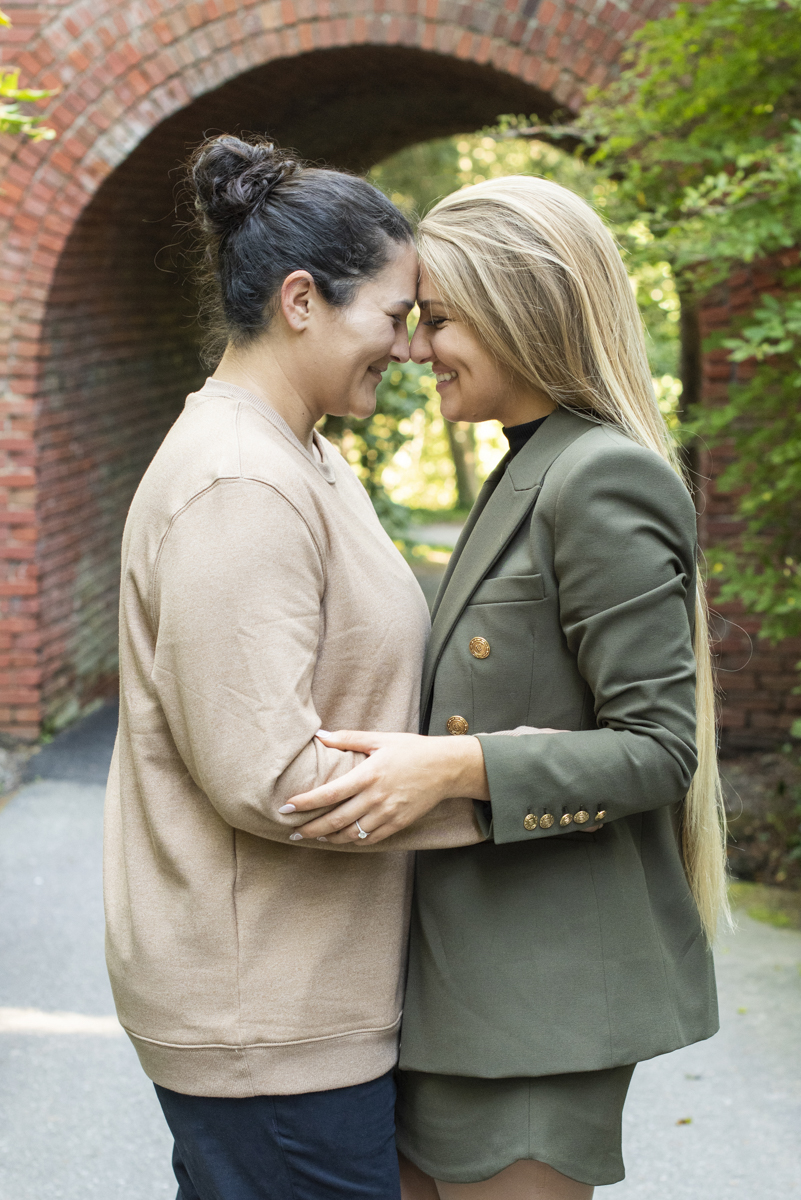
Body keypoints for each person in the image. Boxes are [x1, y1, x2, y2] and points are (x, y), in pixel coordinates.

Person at [287, 175, 728, 1199]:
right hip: (454, 988)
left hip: (546, 1004)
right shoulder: (524, 469)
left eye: (436, 320)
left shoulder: (599, 477)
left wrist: (458, 766)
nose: (410, 347)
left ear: (518, 306)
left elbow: (661, 747)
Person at [103, 134, 484, 1200]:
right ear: (304, 300)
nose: (408, 350)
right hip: (261, 1021)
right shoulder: (238, 480)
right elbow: (270, 773)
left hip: (301, 1004)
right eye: (394, 319)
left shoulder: (304, 457)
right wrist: (488, 787)